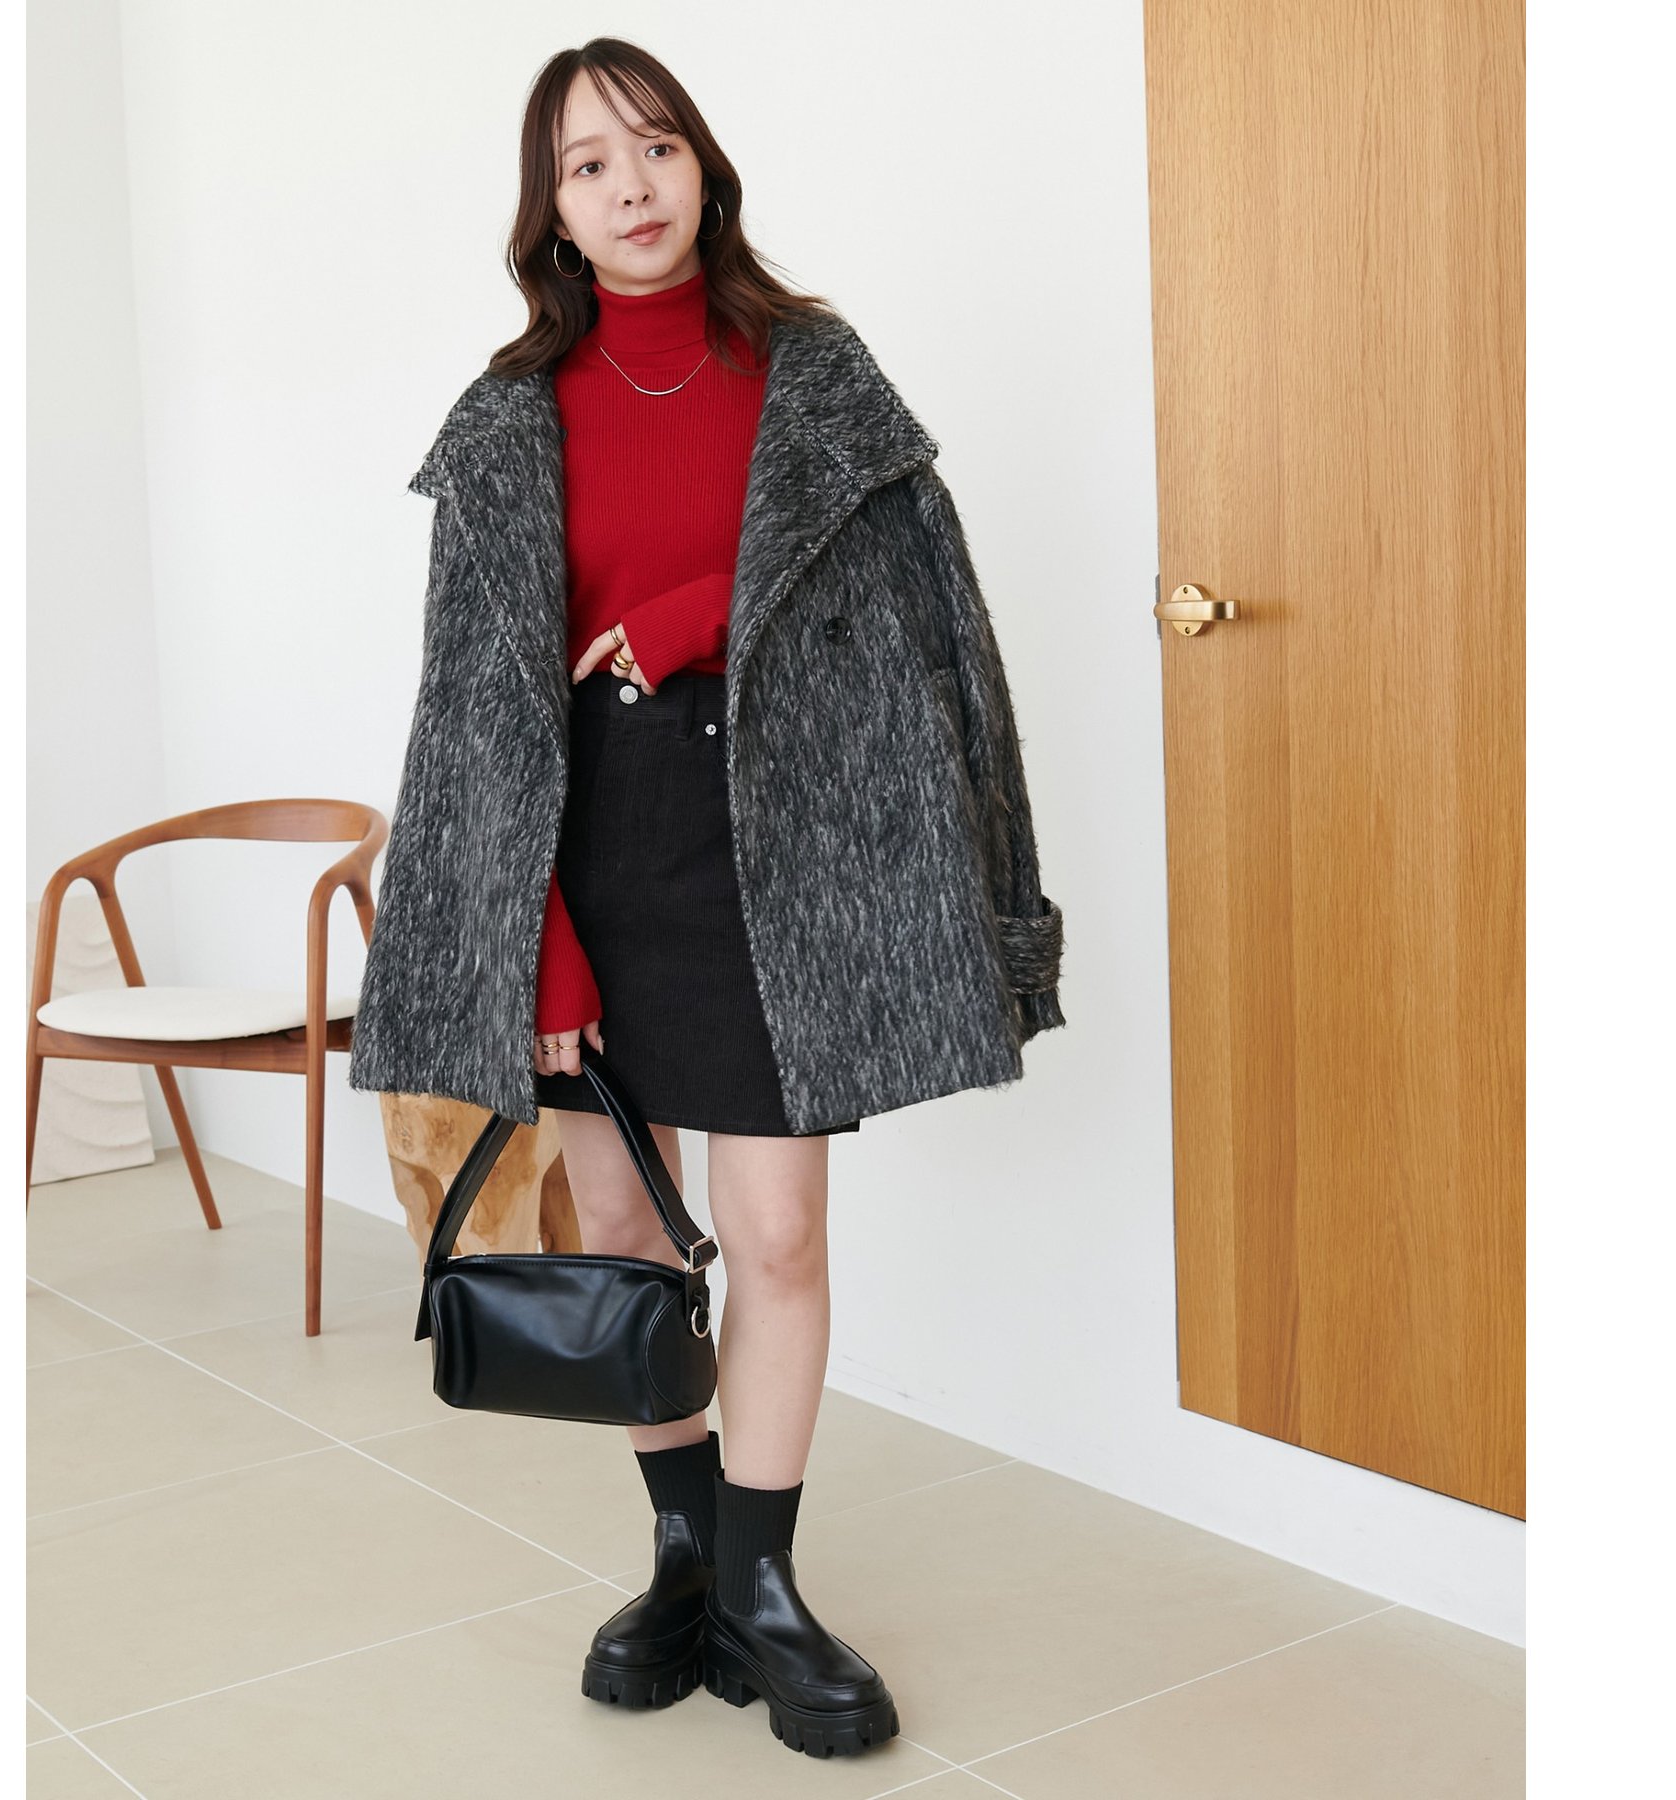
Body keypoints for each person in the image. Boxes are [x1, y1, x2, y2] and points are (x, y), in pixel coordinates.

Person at [372, 36, 1065, 1760]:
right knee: (624, 1233)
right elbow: (474, 719)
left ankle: (764, 1587)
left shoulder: (813, 375)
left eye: (658, 146)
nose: (633, 185)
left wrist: (693, 616)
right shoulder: (510, 417)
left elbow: (908, 624)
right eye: (589, 163)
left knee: (778, 1236)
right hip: (592, 856)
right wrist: (533, 945)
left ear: (705, 167)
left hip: (784, 858)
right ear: (552, 210)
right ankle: (683, 1556)